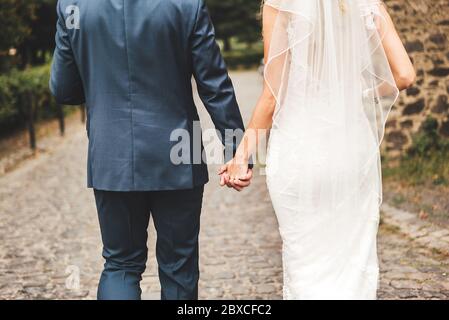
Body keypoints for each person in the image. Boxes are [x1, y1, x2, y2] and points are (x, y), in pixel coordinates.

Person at [50, 0, 252, 300]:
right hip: (180, 152)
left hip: (111, 153)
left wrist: (99, 83)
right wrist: (238, 151)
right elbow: (215, 85)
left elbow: (63, 88)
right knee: (179, 265)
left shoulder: (73, 7)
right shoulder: (187, 5)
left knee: (120, 264)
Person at [220, 0, 415, 300]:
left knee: (305, 262)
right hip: (352, 149)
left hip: (301, 149)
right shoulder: (368, 4)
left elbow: (272, 97)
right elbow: (404, 76)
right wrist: (361, 92)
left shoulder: (280, 4)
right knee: (353, 262)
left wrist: (241, 156)